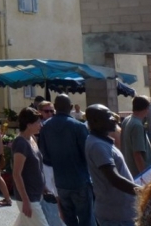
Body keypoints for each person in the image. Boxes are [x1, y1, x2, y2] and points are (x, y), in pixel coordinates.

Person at [38, 94, 95, 226]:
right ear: (70, 107)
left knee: (69, 220)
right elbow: (88, 154)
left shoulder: (45, 127)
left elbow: (44, 155)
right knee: (86, 219)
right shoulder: (79, 126)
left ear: (55, 107)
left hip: (60, 182)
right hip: (80, 179)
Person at [85, 104, 139, 226]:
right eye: (109, 117)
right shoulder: (98, 145)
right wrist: (144, 192)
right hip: (116, 216)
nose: (114, 119)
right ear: (95, 121)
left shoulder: (102, 142)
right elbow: (114, 178)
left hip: (121, 213)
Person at [11, 107, 46, 225]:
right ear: (29, 124)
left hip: (36, 193)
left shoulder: (32, 138)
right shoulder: (21, 143)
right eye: (37, 122)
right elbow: (16, 174)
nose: (40, 124)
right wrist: (25, 200)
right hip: (29, 197)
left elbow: (37, 167)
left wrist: (43, 186)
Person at [121, 95, 151, 177]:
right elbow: (137, 154)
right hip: (139, 173)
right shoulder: (137, 125)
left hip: (130, 171)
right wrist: (145, 176)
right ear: (146, 108)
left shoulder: (127, 120)